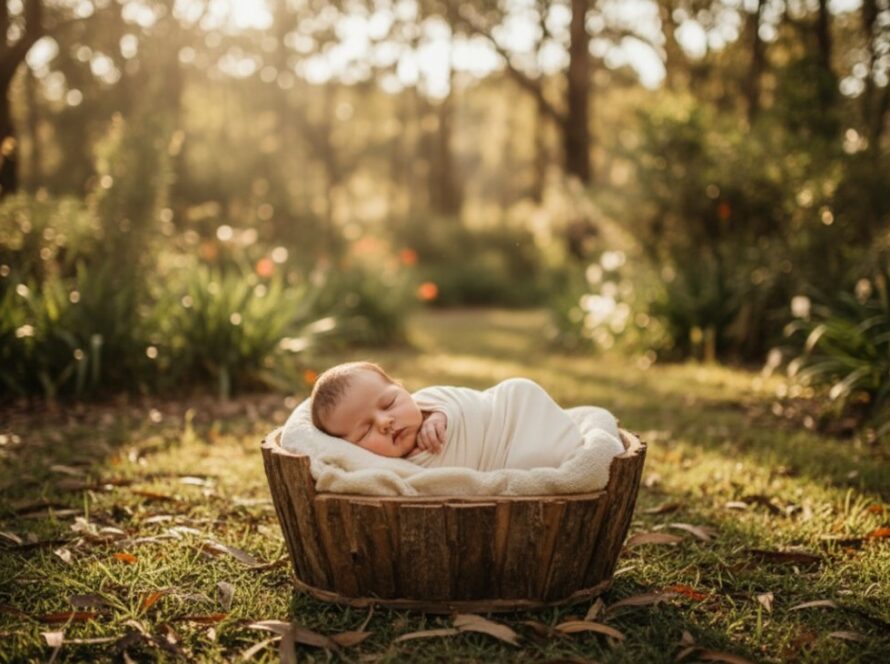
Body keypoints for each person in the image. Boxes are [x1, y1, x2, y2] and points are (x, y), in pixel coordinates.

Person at [310, 361, 597, 471]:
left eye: (388, 403)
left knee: (518, 393)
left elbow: (464, 403)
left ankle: (569, 449)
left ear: (403, 389)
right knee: (529, 463)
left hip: (510, 418)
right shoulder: (389, 472)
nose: (385, 423)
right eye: (364, 431)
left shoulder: (430, 402)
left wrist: (441, 417)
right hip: (499, 461)